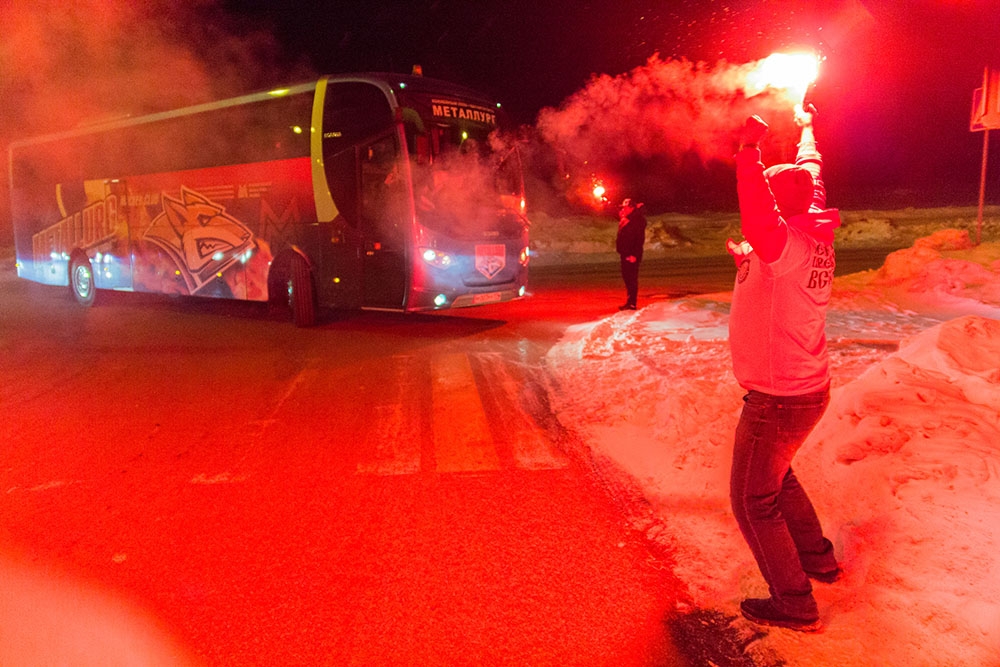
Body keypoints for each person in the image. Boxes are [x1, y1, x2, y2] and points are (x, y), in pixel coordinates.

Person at [726, 104, 842, 633]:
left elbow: (759, 214)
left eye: (775, 192)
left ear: (781, 205)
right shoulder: (814, 233)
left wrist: (748, 153)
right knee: (778, 475)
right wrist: (806, 129)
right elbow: (812, 173)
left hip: (778, 397)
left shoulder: (785, 244)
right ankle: (817, 558)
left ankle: (794, 601)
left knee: (753, 500)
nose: (769, 197)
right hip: (804, 389)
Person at [615, 198, 646, 310]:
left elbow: (639, 239)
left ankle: (632, 303)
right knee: (627, 277)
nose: (623, 209)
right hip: (625, 253)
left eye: (626, 207)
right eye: (623, 207)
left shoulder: (638, 220)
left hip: (632, 255)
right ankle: (630, 301)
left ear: (632, 208)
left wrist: (634, 255)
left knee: (631, 278)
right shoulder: (628, 218)